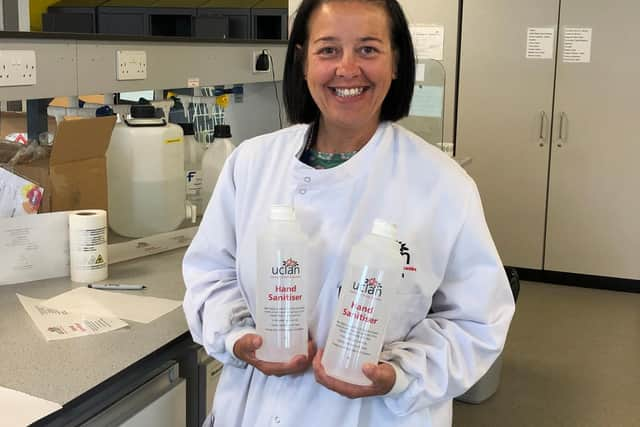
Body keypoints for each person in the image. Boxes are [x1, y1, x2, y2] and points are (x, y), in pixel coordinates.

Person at [182, 0, 515, 426]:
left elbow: (476, 321)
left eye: (368, 49)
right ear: (303, 62)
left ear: (396, 62)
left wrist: (401, 374)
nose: (347, 68)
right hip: (256, 411)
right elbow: (211, 275)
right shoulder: (251, 164)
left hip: (376, 415)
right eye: (328, 50)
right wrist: (237, 336)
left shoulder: (444, 186)